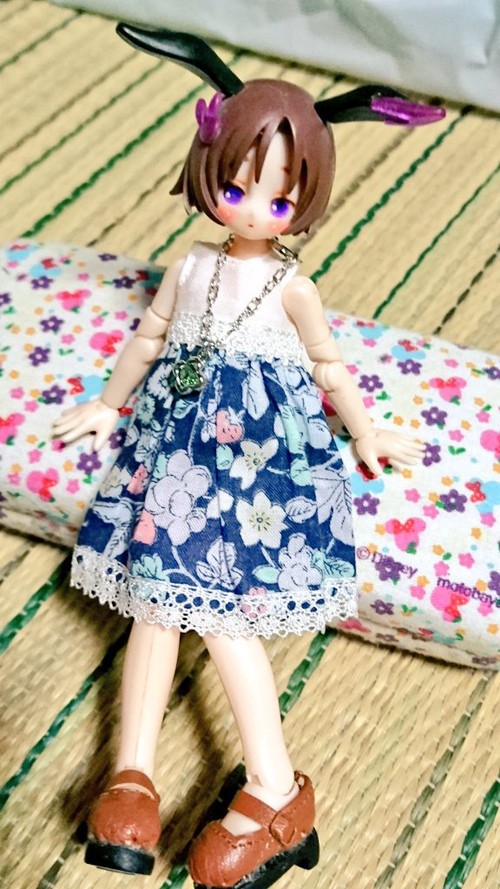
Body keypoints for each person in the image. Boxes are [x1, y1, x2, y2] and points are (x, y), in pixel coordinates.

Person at [52, 23, 444, 889]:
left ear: (305, 202)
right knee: (153, 607)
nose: (251, 208)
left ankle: (276, 789)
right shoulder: (191, 267)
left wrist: (365, 430)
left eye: (277, 198)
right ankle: (131, 775)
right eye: (235, 186)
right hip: (173, 458)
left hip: (253, 473)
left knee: (225, 618)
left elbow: (328, 365)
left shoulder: (292, 286)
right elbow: (151, 335)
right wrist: (108, 403)